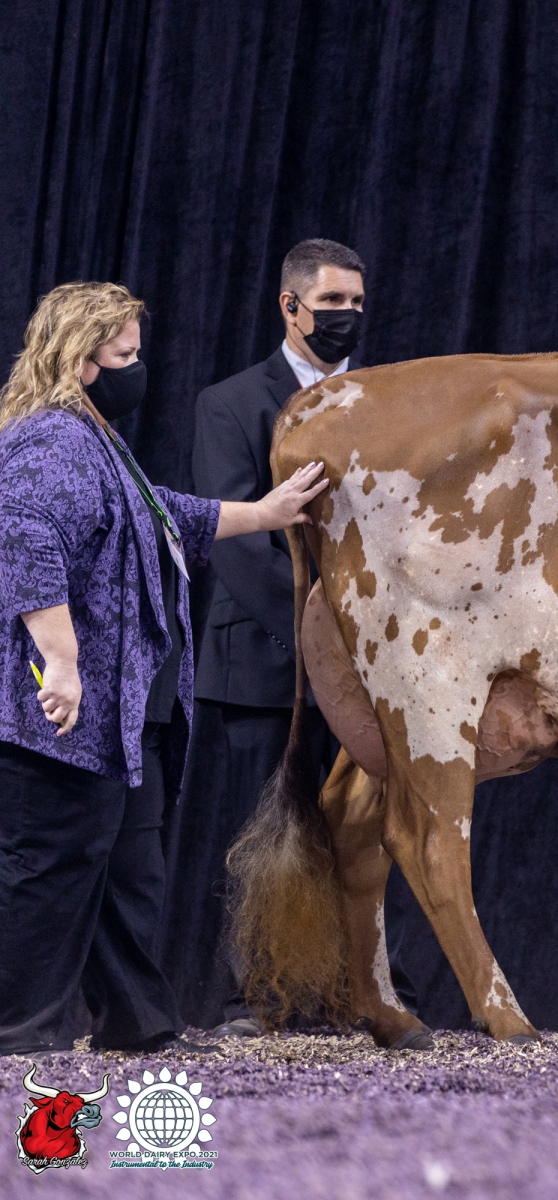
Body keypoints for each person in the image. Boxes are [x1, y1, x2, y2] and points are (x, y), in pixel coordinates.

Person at [0, 281, 328, 1057]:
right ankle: (17, 1033)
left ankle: (137, 1024)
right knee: (50, 866)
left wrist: (267, 512)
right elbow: (23, 540)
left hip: (126, 715)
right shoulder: (49, 440)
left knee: (128, 871)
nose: (137, 368)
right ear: (79, 361)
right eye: (124, 355)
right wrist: (61, 661)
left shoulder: (98, 440)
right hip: (65, 712)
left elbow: (165, 514)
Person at [166, 238, 413, 1037]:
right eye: (333, 302)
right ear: (291, 305)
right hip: (266, 652)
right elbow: (233, 538)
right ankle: (259, 999)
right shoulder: (231, 403)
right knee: (269, 826)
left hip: (378, 661)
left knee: (373, 825)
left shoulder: (389, 402)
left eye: (357, 303)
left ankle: (368, 991)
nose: (348, 315)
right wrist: (324, 640)